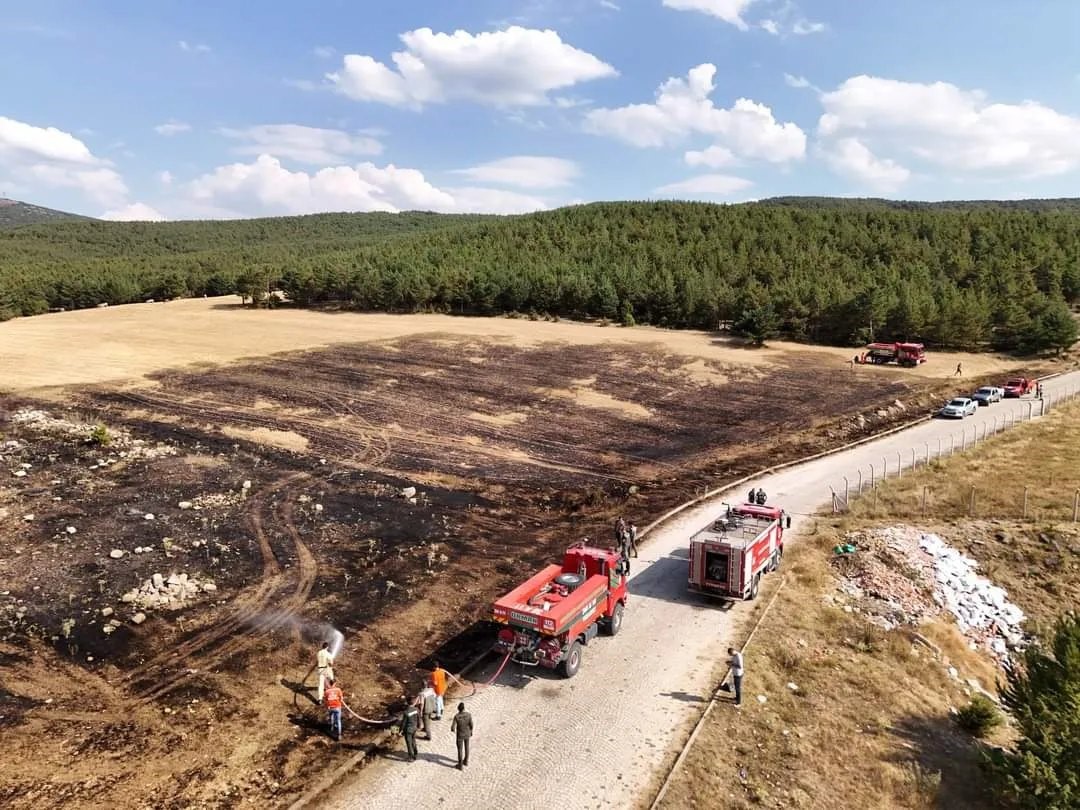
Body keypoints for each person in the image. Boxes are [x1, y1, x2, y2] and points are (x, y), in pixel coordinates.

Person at [450, 701, 474, 769]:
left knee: (460, 749)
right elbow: (471, 725)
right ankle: (466, 761)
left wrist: (453, 730)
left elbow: (452, 728)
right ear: (464, 708)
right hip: (467, 734)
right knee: (467, 747)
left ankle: (460, 765)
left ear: (458, 709)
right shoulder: (469, 715)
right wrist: (471, 731)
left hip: (460, 735)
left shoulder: (456, 716)